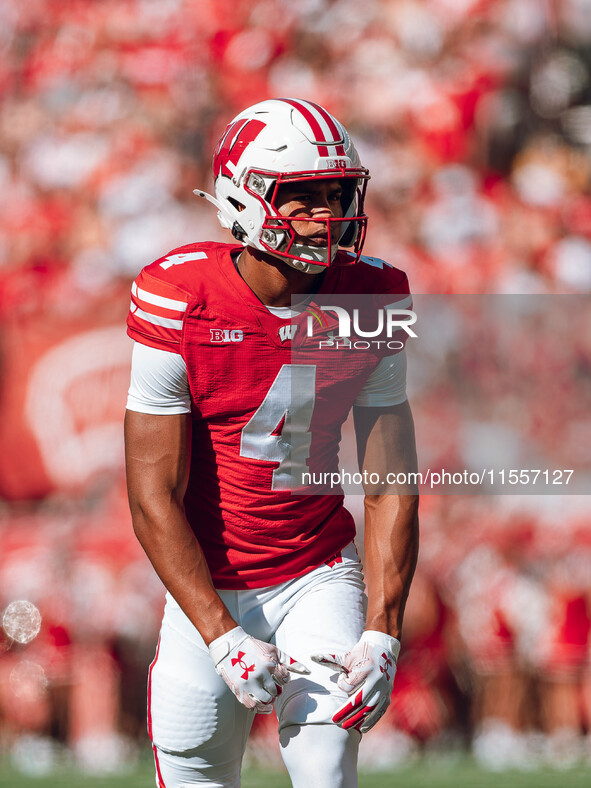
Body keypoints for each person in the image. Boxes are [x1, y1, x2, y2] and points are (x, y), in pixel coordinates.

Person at [124, 97, 419, 788]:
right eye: (302, 197)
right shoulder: (179, 294)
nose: (327, 214)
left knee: (325, 760)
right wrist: (219, 633)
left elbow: (389, 478)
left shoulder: (372, 294)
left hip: (315, 568)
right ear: (243, 199)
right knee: (195, 763)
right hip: (207, 578)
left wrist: (383, 628)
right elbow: (151, 493)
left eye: (337, 193)